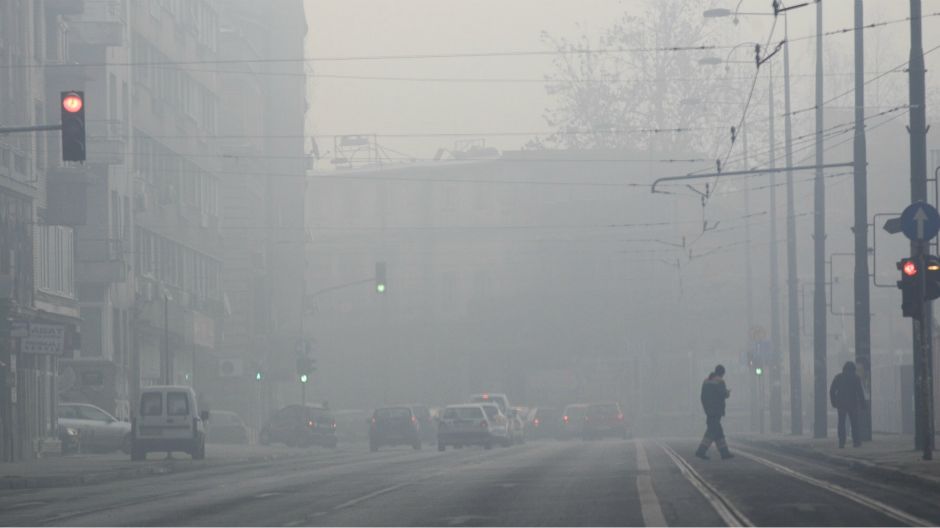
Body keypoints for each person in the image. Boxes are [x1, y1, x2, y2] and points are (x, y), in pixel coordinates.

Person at [695, 364, 733, 460]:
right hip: (716, 411)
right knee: (711, 432)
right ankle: (701, 451)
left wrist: (706, 408)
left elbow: (702, 396)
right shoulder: (720, 382)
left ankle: (724, 452)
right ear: (722, 373)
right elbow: (723, 394)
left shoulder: (706, 381)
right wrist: (727, 393)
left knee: (718, 432)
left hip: (708, 410)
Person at [830, 361, 867, 448]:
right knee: (855, 424)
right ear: (853, 369)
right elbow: (860, 392)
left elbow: (832, 391)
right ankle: (856, 442)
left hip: (841, 404)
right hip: (853, 403)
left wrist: (834, 402)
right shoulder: (856, 378)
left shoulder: (838, 377)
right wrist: (863, 404)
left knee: (841, 423)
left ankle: (841, 442)